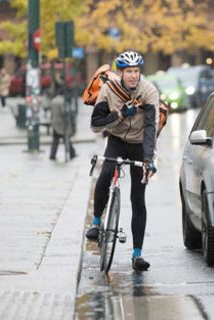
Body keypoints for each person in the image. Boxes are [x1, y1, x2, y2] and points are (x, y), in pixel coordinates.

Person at [85, 51, 159, 271]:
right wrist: (118, 116)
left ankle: (137, 255)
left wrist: (148, 158)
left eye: (136, 71)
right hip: (116, 140)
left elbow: (150, 128)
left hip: (138, 145)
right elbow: (95, 124)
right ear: (121, 72)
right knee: (106, 173)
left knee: (138, 198)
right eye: (129, 71)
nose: (133, 75)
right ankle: (97, 223)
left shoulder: (149, 91)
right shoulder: (109, 90)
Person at [49, 94, 76, 160]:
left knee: (55, 141)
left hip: (55, 124)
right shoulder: (63, 101)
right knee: (67, 140)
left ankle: (52, 155)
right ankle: (72, 154)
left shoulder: (53, 101)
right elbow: (64, 112)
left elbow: (51, 113)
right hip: (62, 124)